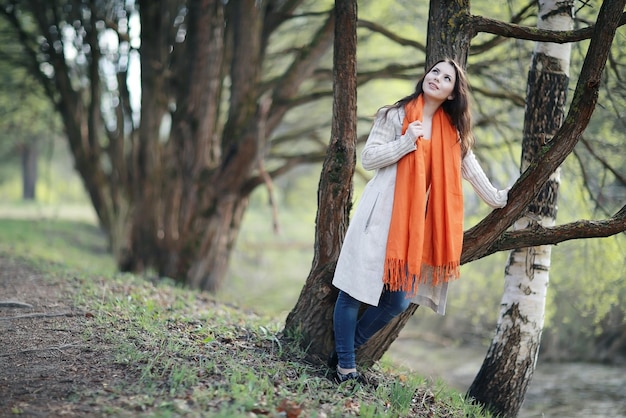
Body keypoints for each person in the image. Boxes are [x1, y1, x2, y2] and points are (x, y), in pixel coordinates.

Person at [330, 58, 510, 383]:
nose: (437, 78)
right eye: (435, 72)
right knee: (353, 292)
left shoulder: (451, 133)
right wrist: (405, 141)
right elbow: (369, 158)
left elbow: (470, 170)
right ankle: (345, 366)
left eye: (446, 78)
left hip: (411, 229)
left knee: (396, 301)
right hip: (379, 216)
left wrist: (499, 198)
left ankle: (347, 350)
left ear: (453, 94)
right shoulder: (394, 114)